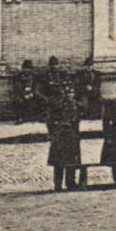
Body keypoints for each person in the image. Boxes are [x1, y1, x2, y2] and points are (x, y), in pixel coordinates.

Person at [43, 57, 82, 191]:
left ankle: (71, 182)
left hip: (71, 136)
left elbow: (77, 120)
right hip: (59, 135)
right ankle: (58, 184)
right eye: (67, 92)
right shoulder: (56, 105)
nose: (69, 94)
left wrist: (76, 134)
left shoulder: (74, 105)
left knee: (72, 160)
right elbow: (49, 119)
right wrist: (53, 133)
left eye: (71, 92)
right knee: (59, 161)